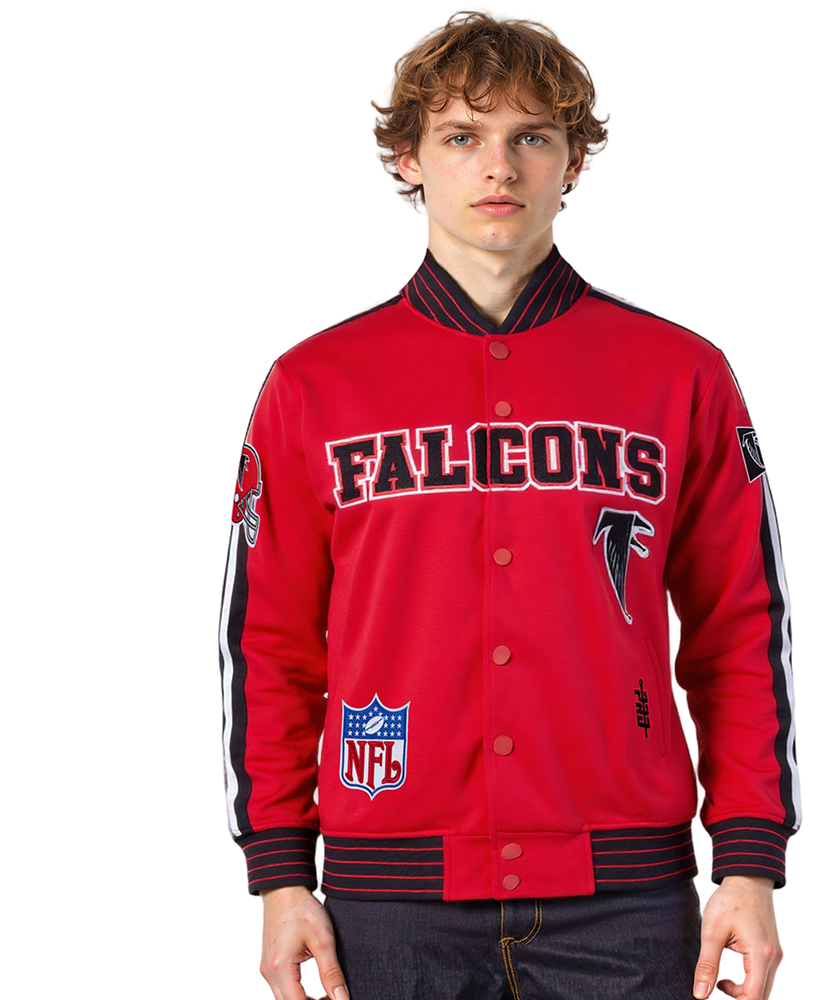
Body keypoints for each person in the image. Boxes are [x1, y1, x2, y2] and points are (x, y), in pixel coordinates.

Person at [219, 12, 799, 1000]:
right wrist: (279, 872)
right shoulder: (313, 385)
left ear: (573, 161)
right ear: (408, 159)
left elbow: (740, 625)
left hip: (625, 895)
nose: (499, 167)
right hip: (388, 898)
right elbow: (267, 642)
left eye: (531, 135)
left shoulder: (680, 375)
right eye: (462, 136)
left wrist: (747, 857)